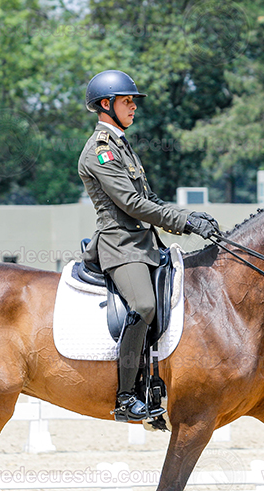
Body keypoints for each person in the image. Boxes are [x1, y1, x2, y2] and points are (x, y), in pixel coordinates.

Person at [78, 70, 218, 424]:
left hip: (144, 245)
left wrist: (188, 215)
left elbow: (149, 197)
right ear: (106, 105)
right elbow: (131, 204)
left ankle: (156, 384)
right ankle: (126, 396)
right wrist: (183, 223)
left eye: (133, 102)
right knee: (142, 304)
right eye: (127, 102)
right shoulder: (99, 151)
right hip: (120, 246)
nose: (133, 108)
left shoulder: (122, 146)